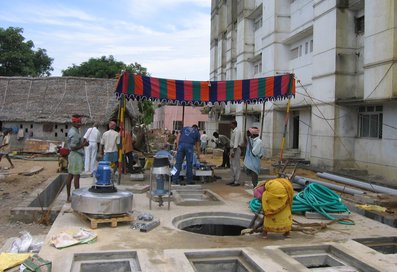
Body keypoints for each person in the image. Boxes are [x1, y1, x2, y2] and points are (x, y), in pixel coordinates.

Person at [65, 115, 88, 202]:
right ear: (73, 122)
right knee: (76, 176)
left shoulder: (74, 130)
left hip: (73, 155)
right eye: (78, 122)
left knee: (70, 175)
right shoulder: (74, 133)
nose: (80, 124)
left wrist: (83, 143)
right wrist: (83, 145)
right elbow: (73, 147)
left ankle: (69, 197)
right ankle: (77, 197)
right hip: (75, 156)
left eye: (80, 122)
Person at [228, 120, 243, 186]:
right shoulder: (233, 131)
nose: (229, 125)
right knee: (232, 165)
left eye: (230, 124)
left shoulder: (237, 131)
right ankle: (233, 179)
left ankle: (237, 180)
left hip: (235, 149)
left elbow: (236, 142)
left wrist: (234, 151)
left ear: (233, 124)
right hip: (233, 149)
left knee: (236, 165)